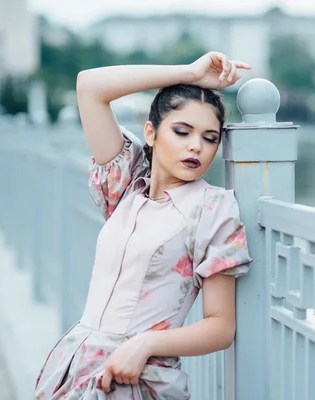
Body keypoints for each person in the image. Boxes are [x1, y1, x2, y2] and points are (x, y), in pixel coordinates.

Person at [33, 52, 253, 399]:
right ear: (150, 132)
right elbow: (89, 87)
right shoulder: (127, 184)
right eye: (182, 131)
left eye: (210, 138)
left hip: (137, 377)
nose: (196, 145)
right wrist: (190, 73)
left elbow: (221, 327)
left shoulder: (211, 208)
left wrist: (146, 344)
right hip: (75, 368)